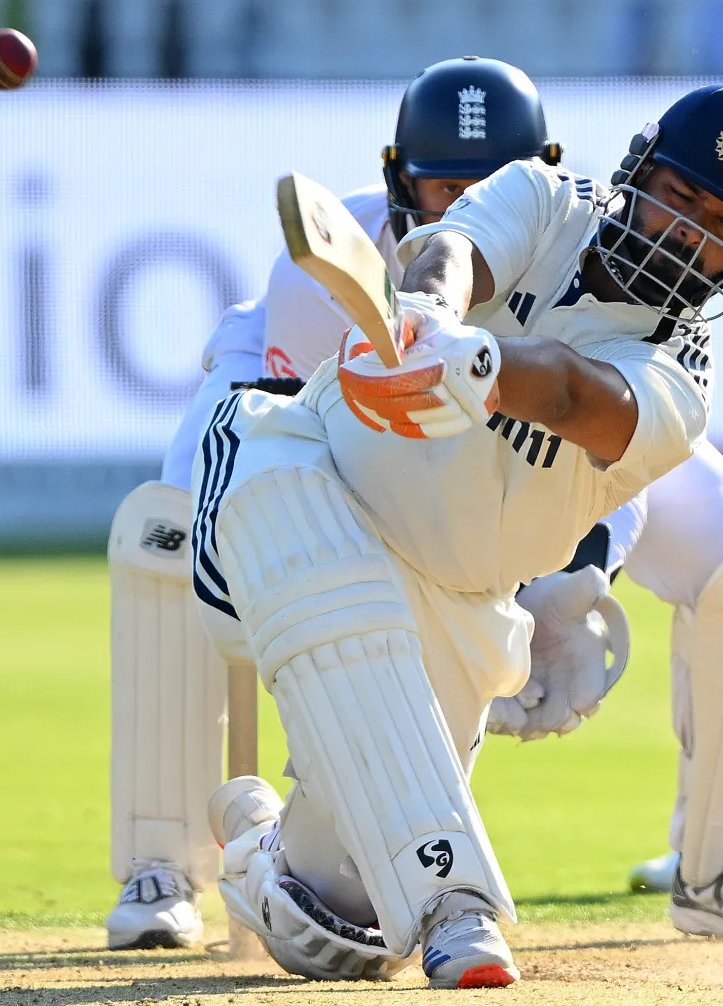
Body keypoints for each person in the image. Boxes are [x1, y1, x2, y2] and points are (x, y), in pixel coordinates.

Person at [194, 84, 723, 987]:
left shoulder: (680, 383)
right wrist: (434, 317)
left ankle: (262, 850)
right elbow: (453, 249)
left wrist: (476, 366)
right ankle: (464, 910)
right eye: (680, 197)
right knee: (341, 592)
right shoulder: (541, 197)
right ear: (638, 171)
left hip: (457, 599)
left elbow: (574, 396)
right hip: (299, 483)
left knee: (332, 922)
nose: (688, 233)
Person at [103, 56, 562, 950]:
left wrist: (573, 585)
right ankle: (159, 865)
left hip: (460, 446)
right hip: (276, 399)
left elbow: (603, 440)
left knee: (446, 595)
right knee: (169, 540)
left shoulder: (576, 260)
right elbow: (286, 442)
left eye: (490, 187)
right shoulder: (328, 264)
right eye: (443, 187)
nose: (463, 213)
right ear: (399, 180)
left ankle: (325, 850)